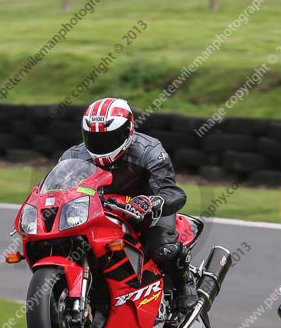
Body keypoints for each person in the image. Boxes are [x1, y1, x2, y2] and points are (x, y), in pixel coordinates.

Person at [59, 97, 198, 313]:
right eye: (94, 139)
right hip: (99, 211)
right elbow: (59, 191)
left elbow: (172, 192)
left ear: (128, 131)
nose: (101, 146)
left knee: (161, 248)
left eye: (109, 138)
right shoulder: (73, 156)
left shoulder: (149, 151)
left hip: (145, 211)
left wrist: (152, 202)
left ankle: (185, 282)